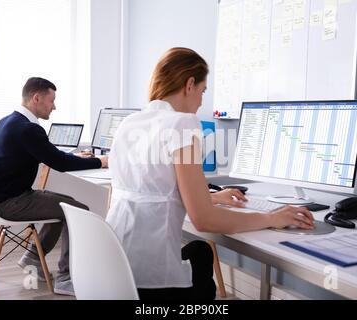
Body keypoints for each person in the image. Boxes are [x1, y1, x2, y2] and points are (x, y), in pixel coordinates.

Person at [106, 47, 314, 301]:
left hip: (115, 268)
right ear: (190, 84)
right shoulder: (182, 123)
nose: (202, 101)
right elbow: (204, 220)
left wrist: (211, 197)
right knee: (205, 280)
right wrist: (271, 217)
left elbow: (151, 188)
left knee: (201, 251)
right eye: (203, 91)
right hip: (151, 282)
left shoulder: (130, 122)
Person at [0, 77, 108, 296]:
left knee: (65, 203)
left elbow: (49, 154)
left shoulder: (7, 122)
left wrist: (75, 157)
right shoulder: (28, 129)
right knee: (77, 210)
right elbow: (60, 163)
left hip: (3, 197)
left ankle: (33, 258)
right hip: (12, 202)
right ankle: (66, 278)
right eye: (51, 101)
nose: (54, 106)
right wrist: (100, 161)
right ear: (36, 98)